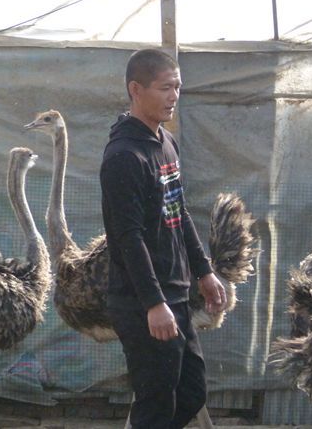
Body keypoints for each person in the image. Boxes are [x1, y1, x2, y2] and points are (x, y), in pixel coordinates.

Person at [100, 48, 227, 429]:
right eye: (165, 88)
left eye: (178, 87)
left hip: (176, 292)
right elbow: (128, 237)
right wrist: (153, 303)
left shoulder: (166, 143)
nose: (174, 96)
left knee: (191, 393)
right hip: (141, 301)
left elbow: (178, 211)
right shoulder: (124, 156)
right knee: (155, 404)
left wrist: (204, 272)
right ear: (136, 90)